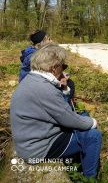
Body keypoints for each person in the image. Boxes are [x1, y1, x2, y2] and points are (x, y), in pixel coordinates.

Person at [10, 44, 102, 178]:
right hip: (38, 149)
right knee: (93, 135)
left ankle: (79, 164)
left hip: (31, 140)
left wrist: (63, 88)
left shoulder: (32, 79)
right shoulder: (45, 88)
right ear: (54, 68)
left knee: (83, 117)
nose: (64, 70)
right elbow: (68, 118)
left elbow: (60, 110)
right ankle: (90, 178)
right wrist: (93, 122)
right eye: (63, 66)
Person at [19, 30, 75, 107]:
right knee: (69, 84)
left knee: (67, 82)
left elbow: (45, 71)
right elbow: (44, 72)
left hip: (33, 83)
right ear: (42, 42)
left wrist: (60, 74)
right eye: (49, 39)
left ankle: (66, 105)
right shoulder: (34, 56)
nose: (51, 41)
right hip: (33, 87)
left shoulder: (34, 52)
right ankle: (66, 107)